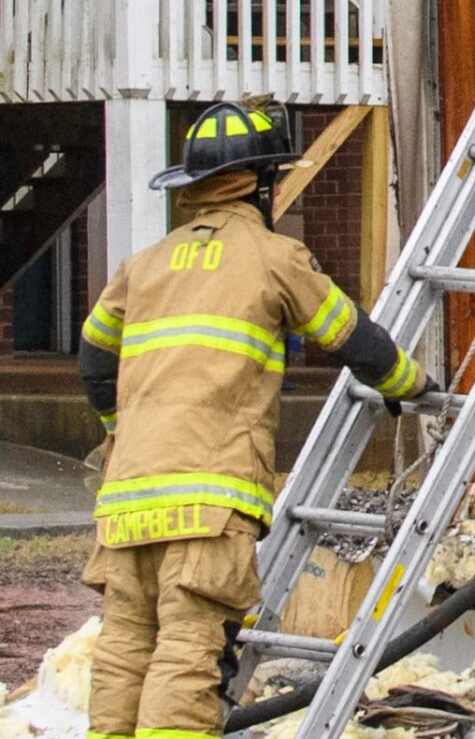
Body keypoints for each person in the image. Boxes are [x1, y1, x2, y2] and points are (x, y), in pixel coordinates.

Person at [78, 101, 435, 739]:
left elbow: (93, 363)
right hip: (209, 500)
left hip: (126, 499)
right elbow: (354, 341)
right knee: (188, 653)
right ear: (263, 183)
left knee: (125, 648)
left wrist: (116, 432)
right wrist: (414, 385)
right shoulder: (274, 257)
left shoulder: (142, 266)